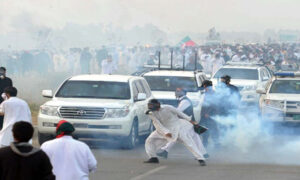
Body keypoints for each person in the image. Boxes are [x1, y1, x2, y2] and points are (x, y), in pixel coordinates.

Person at [144, 99, 206, 166]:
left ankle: (201, 159)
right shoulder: (151, 113)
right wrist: (166, 132)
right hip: (162, 130)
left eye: (151, 105)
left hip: (177, 128)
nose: (150, 107)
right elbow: (157, 124)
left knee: (189, 142)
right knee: (150, 140)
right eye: (149, 105)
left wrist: (192, 122)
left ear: (158, 104)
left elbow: (181, 114)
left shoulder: (168, 107)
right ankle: (153, 158)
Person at [156, 89, 208, 159]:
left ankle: (165, 150)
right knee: (194, 137)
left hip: (186, 123)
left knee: (178, 135)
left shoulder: (185, 101)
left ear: (184, 93)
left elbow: (178, 111)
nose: (176, 92)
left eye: (178, 91)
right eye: (176, 90)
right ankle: (203, 154)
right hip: (186, 122)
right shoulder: (183, 100)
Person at [199, 80, 219, 147]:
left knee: (213, 129)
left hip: (209, 115)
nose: (204, 88)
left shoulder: (212, 93)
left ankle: (216, 144)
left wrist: (208, 113)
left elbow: (213, 105)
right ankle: (205, 143)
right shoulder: (208, 93)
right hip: (205, 115)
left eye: (205, 86)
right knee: (205, 129)